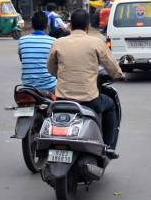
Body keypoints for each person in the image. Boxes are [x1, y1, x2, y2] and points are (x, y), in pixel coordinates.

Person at [47, 9, 123, 157]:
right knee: (110, 105)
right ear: (88, 26)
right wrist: (119, 75)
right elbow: (112, 67)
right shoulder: (96, 43)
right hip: (89, 101)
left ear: (70, 26)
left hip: (62, 100)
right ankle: (108, 147)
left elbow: (51, 69)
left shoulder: (58, 43)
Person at [17, 11, 57, 94]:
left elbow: (22, 59)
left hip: (27, 87)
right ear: (47, 25)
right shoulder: (53, 41)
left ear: (32, 25)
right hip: (50, 87)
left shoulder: (22, 40)